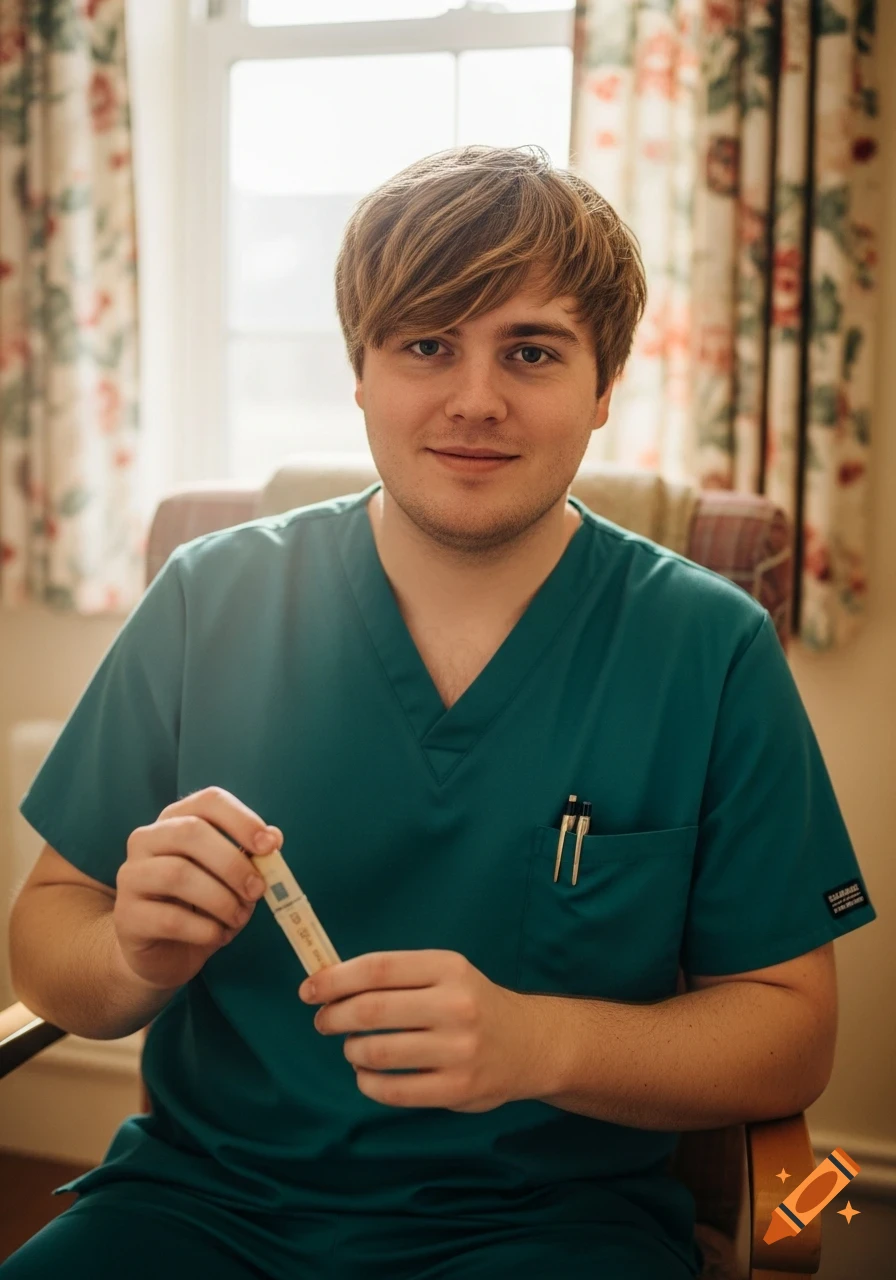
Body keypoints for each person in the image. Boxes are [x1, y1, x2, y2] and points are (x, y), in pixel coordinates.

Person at [3, 144, 876, 1279]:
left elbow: (787, 1035)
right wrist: (127, 954)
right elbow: (48, 935)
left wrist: (536, 1040)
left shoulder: (707, 647)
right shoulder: (207, 599)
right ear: (359, 372)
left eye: (530, 350)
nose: (474, 398)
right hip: (196, 1207)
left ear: (604, 384)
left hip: (549, 1232)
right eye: (425, 343)